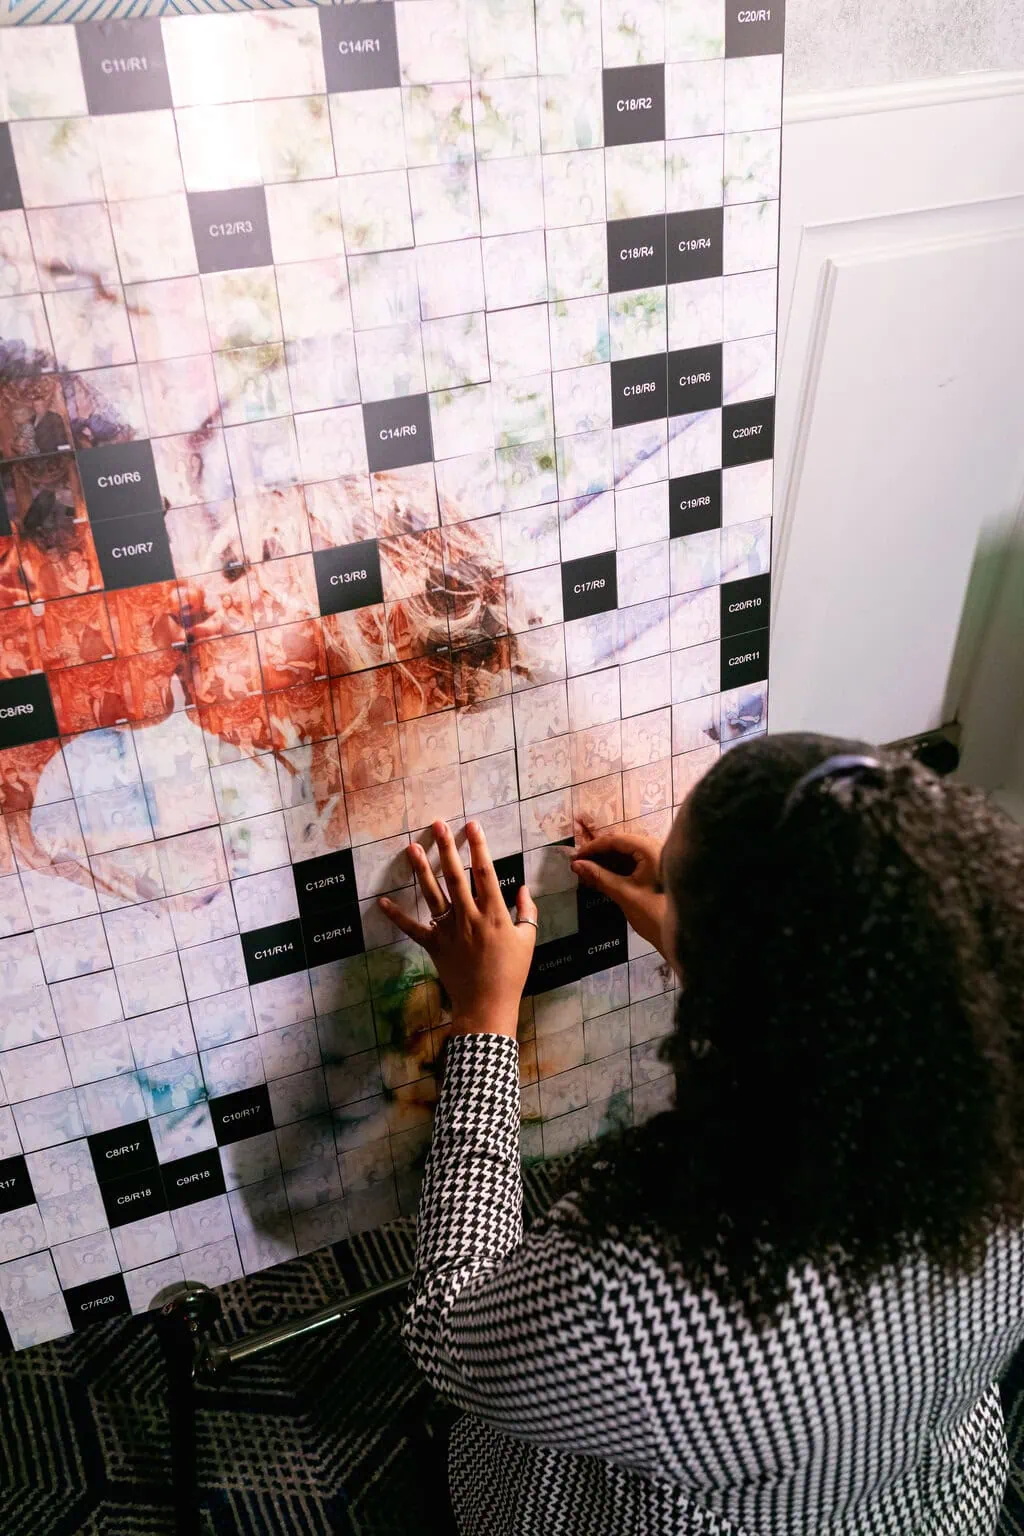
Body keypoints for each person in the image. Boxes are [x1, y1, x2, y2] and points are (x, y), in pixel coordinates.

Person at [380, 732, 1024, 1536]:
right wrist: (704, 939)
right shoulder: (988, 1110)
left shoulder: (642, 1284)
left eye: (678, 881)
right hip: (932, 1500)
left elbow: (448, 1327)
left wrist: (482, 1023)